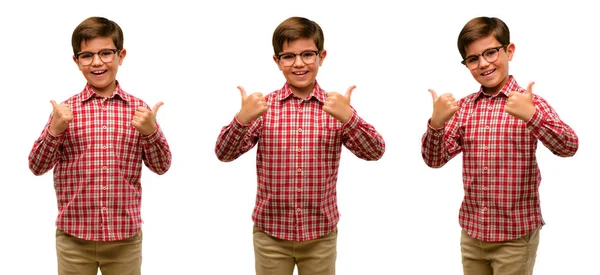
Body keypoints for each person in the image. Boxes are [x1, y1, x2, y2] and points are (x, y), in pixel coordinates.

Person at [215, 16, 385, 275]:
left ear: (322, 56)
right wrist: (242, 119)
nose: (298, 64)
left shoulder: (335, 107)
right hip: (270, 235)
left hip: (320, 236)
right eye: (288, 56)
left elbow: (375, 151)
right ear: (277, 61)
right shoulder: (264, 108)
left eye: (307, 54)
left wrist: (349, 117)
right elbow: (223, 154)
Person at [421, 16, 579, 275]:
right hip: (472, 235)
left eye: (491, 52)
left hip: (514, 238)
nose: (483, 63)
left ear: (509, 51)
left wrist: (532, 117)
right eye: (473, 59)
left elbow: (569, 146)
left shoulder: (530, 103)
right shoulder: (463, 109)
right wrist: (436, 123)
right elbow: (434, 160)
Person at [28, 16, 172, 275]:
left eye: (106, 53)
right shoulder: (64, 112)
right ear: (76, 61)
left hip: (124, 241)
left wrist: (150, 132)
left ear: (121, 55)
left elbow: (162, 166)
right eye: (87, 55)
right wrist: (54, 131)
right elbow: (36, 167)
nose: (97, 62)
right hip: (73, 238)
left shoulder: (139, 110)